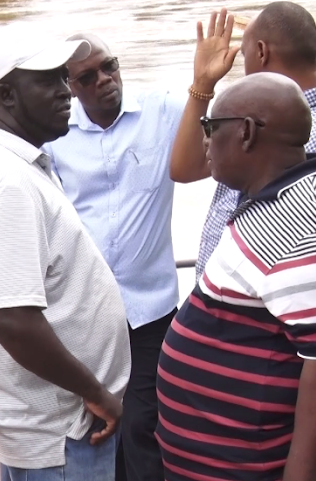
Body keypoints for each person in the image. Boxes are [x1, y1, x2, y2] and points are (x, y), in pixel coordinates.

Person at [155, 72, 316, 481]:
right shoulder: (289, 196)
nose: (204, 141)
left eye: (210, 127)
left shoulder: (310, 227)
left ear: (244, 133)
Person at [0, 25, 131, 481]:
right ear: (6, 95)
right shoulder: (0, 182)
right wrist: (96, 392)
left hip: (70, 426)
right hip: (62, 433)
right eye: (48, 81)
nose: (67, 91)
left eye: (64, 78)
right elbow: (10, 317)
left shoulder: (15, 164)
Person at [41, 33, 186, 481]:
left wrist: (204, 83)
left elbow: (209, 147)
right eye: (88, 76)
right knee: (97, 422)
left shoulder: (161, 112)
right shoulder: (55, 138)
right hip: (88, 312)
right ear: (70, 87)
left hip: (150, 308)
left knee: (144, 423)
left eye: (110, 66)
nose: (105, 79)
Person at [169, 3, 316, 282]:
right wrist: (203, 84)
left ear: (261, 52)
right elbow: (185, 168)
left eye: (244, 54)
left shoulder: (314, 141)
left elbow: (312, 267)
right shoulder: (267, 122)